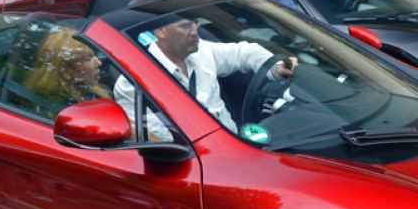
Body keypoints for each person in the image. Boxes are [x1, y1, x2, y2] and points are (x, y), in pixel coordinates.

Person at [113, 15, 295, 135]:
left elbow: (244, 52)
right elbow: (161, 140)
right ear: (160, 32)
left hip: (239, 147)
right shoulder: (133, 82)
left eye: (195, 22)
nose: (194, 31)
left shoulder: (202, 52)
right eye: (185, 26)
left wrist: (276, 68)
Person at [22, 30, 111, 119]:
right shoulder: (42, 114)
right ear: (66, 72)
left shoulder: (98, 95)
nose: (99, 63)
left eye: (94, 55)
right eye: (88, 59)